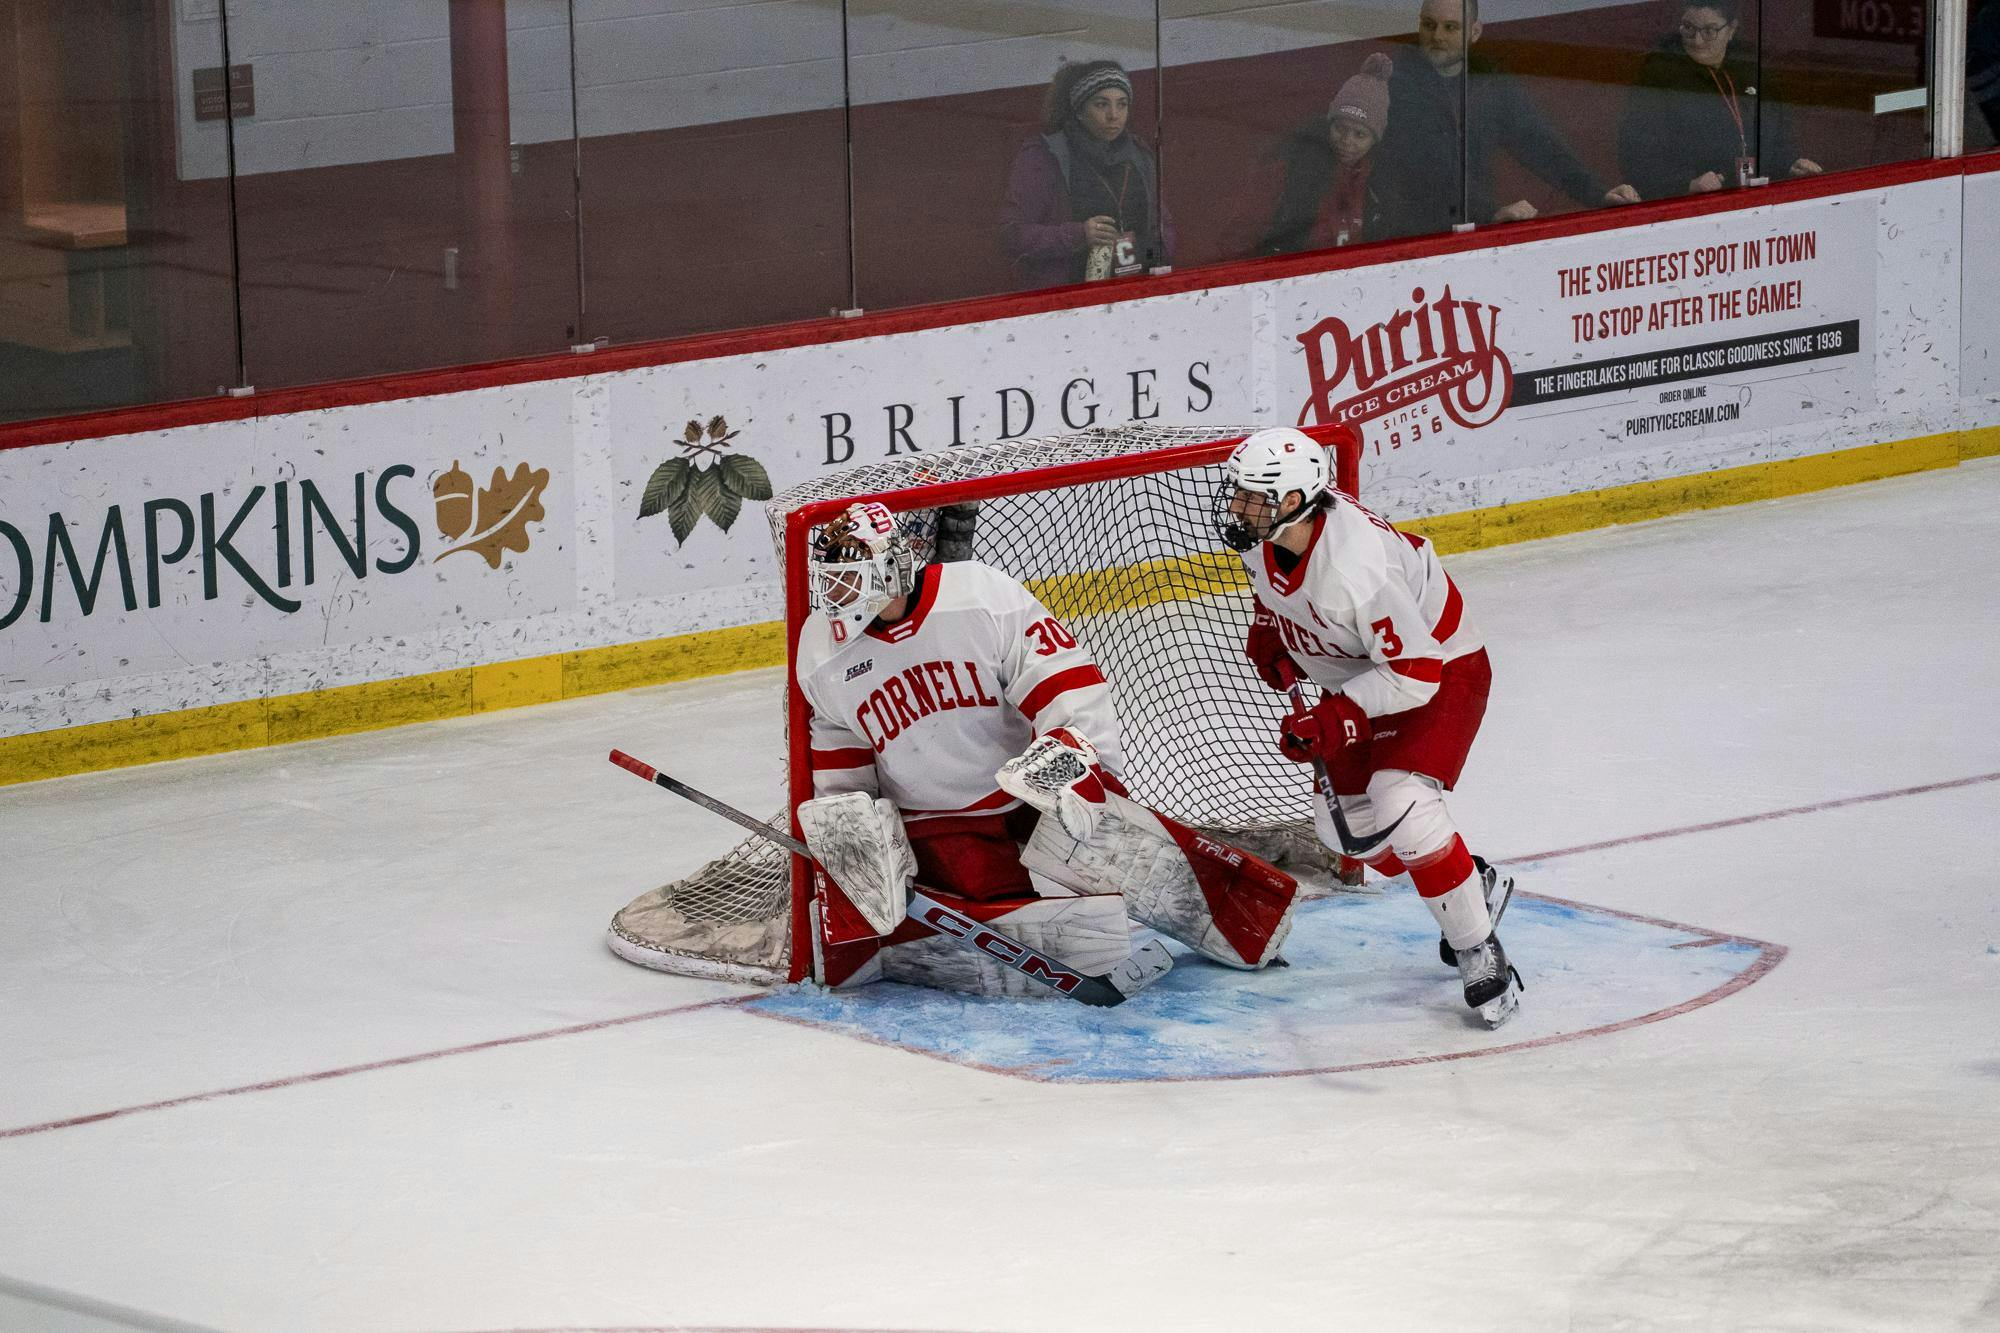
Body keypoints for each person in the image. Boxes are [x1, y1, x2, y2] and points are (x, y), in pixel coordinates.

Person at [792, 500, 1298, 996]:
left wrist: (1077, 757)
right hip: (933, 816)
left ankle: (1249, 921)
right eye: (829, 579)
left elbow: (1063, 681)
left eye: (849, 577)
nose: (834, 593)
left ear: (891, 567)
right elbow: (840, 747)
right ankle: (899, 945)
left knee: (1129, 849)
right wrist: (851, 830)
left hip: (1028, 780)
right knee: (1035, 926)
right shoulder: (821, 650)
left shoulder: (978, 595)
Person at [1211, 427, 1521, 1026]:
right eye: (1241, 494)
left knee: (1402, 802)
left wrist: (1338, 715)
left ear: (1298, 501)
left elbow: (1416, 669)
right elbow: (1271, 590)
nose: (1241, 508)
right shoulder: (1266, 537)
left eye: (1256, 497)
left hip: (1441, 669)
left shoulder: (1358, 567)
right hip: (1369, 674)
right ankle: (1469, 882)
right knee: (1346, 834)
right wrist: (1273, 636)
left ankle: (1478, 949)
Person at [1371, 0, 1641, 233]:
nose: (1437, 36)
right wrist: (1489, 213)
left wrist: (1597, 193)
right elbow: (1431, 165)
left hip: (1476, 233)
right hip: (1408, 238)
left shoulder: (1489, 84)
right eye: (1429, 25)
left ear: (1474, 32)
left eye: (1450, 27)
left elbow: (1539, 144)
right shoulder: (1395, 85)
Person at [1616, 0, 1820, 200]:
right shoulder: (1658, 76)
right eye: (1688, 28)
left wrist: (1788, 163)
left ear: (1731, 30)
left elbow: (1778, 130)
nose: (1697, 40)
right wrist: (1687, 183)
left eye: (1709, 31)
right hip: (1693, 203)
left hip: (1754, 196)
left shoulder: (1750, 67)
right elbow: (1637, 156)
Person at [999, 60, 1176, 289]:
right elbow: (1010, 235)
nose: (1114, 115)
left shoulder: (1139, 156)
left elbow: (1165, 229)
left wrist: (1144, 251)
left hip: (1135, 291)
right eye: (1101, 105)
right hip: (1066, 300)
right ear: (1080, 110)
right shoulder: (1044, 157)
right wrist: (1078, 235)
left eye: (1122, 105)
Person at [1257, 54, 1421, 255]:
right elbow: (1250, 230)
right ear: (1329, 124)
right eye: (1340, 128)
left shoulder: (1387, 183)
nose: (1347, 140)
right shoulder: (1293, 167)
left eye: (1360, 134)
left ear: (1375, 140)